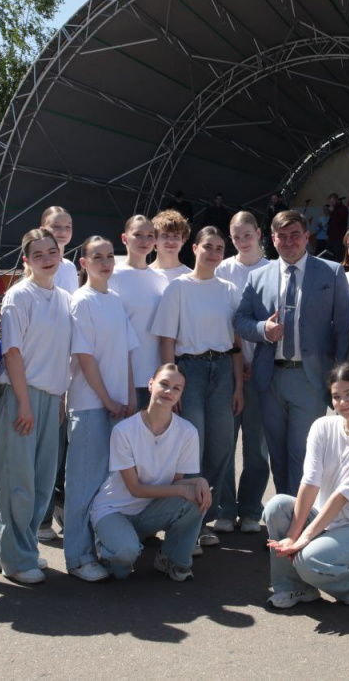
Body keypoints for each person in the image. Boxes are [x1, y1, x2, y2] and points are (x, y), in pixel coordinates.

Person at [234, 210, 349, 495]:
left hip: (310, 379)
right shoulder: (258, 276)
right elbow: (240, 320)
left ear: (307, 237)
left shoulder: (331, 272)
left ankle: (301, 516)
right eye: (282, 237)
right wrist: (263, 329)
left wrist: (340, 378)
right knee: (277, 453)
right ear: (272, 239)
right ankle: (284, 510)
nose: (289, 242)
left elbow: (344, 327)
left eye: (295, 235)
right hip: (270, 378)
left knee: (304, 454)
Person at [263, 362, 349, 608]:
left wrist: (303, 539)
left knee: (307, 560)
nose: (342, 402)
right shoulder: (322, 427)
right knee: (277, 506)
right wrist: (291, 536)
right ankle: (294, 588)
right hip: (325, 518)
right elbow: (310, 482)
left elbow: (341, 497)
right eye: (336, 396)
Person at [152, 226, 243, 551]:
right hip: (189, 372)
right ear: (195, 248)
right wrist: (169, 385)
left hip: (222, 372)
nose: (214, 253)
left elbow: (236, 343)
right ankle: (187, 524)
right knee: (192, 448)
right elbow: (166, 340)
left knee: (221, 446)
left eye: (219, 248)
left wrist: (238, 386)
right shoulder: (178, 288)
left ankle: (204, 519)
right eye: (208, 247)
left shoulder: (229, 290)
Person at [0, 228, 72, 585]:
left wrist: (59, 398)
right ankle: (17, 559)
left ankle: (8, 549)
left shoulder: (64, 298)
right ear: (26, 260)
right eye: (38, 254)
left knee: (40, 483)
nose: (47, 259)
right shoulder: (19, 296)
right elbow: (12, 353)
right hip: (19, 396)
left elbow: (62, 355)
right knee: (17, 482)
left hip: (50, 398)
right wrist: (24, 403)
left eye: (51, 251)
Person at [89, 364, 211, 582]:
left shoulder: (188, 432)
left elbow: (175, 485)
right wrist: (184, 490)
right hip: (114, 510)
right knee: (124, 562)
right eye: (164, 384)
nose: (169, 391)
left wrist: (198, 482)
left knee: (197, 497)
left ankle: (172, 559)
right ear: (151, 384)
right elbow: (135, 489)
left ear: (180, 394)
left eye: (176, 388)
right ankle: (107, 544)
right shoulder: (124, 430)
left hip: (149, 510)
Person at [65, 235, 139, 582]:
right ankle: (78, 557)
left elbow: (126, 353)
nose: (105, 262)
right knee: (83, 484)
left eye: (110, 256)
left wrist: (129, 395)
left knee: (107, 486)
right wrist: (108, 400)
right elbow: (85, 357)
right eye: (97, 257)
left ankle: (101, 549)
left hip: (117, 408)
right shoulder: (82, 301)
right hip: (90, 406)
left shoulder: (115, 300)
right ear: (83, 263)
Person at [215, 212, 272, 534]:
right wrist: (236, 363)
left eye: (247, 235)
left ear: (259, 233)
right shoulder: (223, 269)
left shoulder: (272, 270)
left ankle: (250, 509)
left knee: (256, 447)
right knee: (224, 442)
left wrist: (255, 363)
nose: (242, 241)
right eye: (236, 237)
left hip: (260, 371)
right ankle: (225, 508)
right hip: (228, 368)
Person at [38, 206, 78, 542]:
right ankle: (41, 518)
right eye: (56, 226)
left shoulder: (69, 268)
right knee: (47, 451)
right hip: (44, 369)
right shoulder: (37, 266)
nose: (62, 231)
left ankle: (58, 507)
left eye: (67, 226)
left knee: (63, 449)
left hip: (67, 369)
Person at [109, 215, 168, 410]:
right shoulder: (113, 276)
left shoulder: (161, 279)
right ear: (124, 238)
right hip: (122, 379)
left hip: (155, 378)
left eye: (150, 235)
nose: (145, 240)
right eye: (138, 235)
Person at [150, 209, 193, 281]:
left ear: (183, 240)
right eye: (165, 236)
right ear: (154, 239)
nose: (171, 241)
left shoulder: (191, 278)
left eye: (176, 236)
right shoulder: (142, 275)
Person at [325, 193, 349, 262]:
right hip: (331, 236)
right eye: (330, 202)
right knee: (329, 255)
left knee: (339, 255)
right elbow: (331, 223)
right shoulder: (334, 209)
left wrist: (332, 211)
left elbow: (339, 220)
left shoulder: (343, 209)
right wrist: (327, 234)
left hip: (339, 237)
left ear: (336, 200)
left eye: (332, 202)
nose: (331, 204)